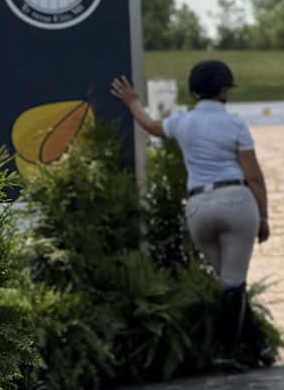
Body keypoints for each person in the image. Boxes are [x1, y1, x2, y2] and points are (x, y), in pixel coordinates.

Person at [111, 59, 273, 373]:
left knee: (230, 282)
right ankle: (226, 353)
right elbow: (254, 177)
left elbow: (149, 125)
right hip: (235, 201)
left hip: (198, 207)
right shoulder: (235, 124)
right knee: (233, 283)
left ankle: (260, 347)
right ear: (225, 90)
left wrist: (132, 102)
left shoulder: (182, 122)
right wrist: (264, 217)